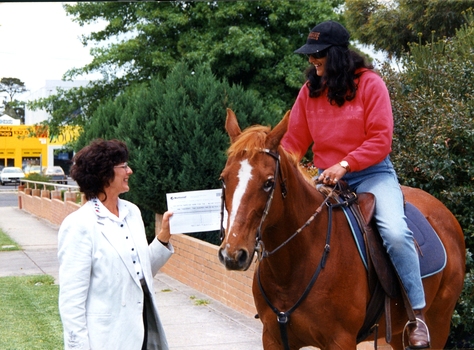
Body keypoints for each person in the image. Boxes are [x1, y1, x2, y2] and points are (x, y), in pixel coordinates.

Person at [281, 21, 430, 349]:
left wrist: (345, 164)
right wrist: (278, 167)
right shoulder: (309, 91)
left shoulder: (371, 84)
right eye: (309, 56)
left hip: (373, 175)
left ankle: (417, 316)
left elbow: (381, 139)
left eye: (317, 56)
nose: (312, 62)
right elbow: (294, 140)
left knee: (394, 232)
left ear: (336, 55)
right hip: (324, 179)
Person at [58, 139, 174, 350]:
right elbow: (71, 301)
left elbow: (139, 273)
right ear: (104, 174)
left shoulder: (133, 212)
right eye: (123, 166)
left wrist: (163, 237)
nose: (129, 171)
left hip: (141, 331)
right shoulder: (79, 225)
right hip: (106, 339)